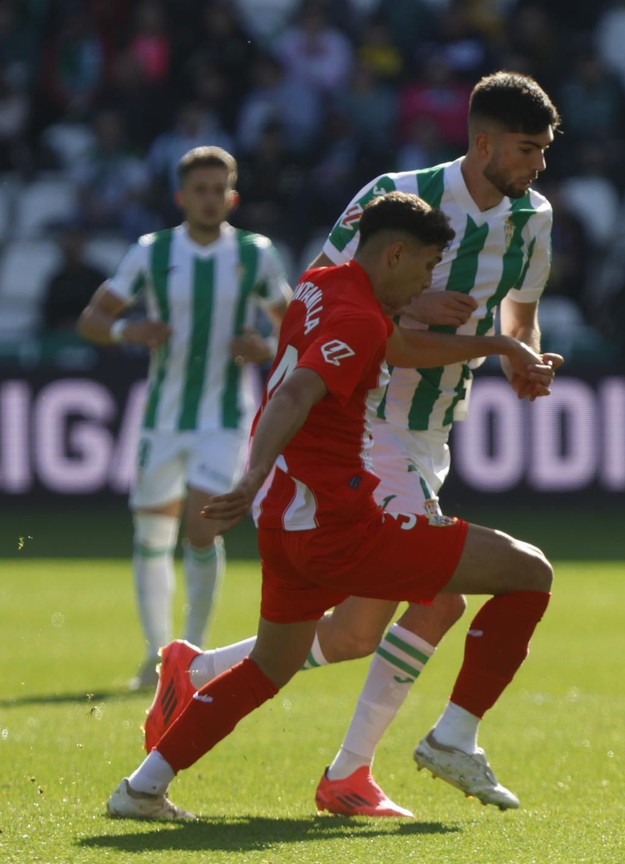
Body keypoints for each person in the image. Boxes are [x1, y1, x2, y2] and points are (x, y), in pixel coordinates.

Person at [149, 73, 562, 817]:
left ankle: (199, 670)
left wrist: (518, 356)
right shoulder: (397, 195)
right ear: (486, 142)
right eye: (528, 150)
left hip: (432, 428)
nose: (538, 166)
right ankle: (369, 767)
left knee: (351, 635)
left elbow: (521, 314)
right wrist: (410, 308)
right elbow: (327, 292)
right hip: (369, 421)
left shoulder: (533, 219)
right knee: (439, 601)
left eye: (544, 152)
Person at [77, 147, 290, 690]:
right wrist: (130, 331)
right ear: (181, 197)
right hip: (161, 418)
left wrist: (262, 346)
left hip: (224, 416)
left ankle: (189, 653)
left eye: (219, 189)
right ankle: (155, 654)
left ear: (233, 196)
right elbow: (93, 319)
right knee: (151, 531)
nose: (210, 198)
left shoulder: (254, 254)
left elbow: (291, 326)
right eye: (200, 189)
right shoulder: (151, 253)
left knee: (200, 526)